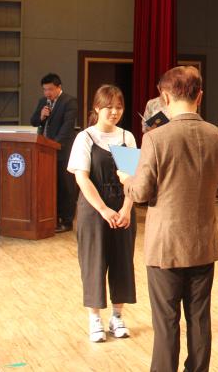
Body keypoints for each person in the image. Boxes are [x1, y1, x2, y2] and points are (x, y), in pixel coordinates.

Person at [120, 66, 218, 372]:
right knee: (199, 319)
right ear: (200, 95)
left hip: (165, 247)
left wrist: (126, 179)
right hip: (203, 244)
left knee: (166, 323)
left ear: (165, 98)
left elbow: (141, 192)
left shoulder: (156, 138)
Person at [66, 84, 137, 343]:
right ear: (97, 108)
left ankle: (117, 317)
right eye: (109, 107)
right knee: (93, 262)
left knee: (122, 262)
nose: (114, 112)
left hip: (123, 208)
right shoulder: (85, 137)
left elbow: (132, 178)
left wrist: (126, 208)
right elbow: (82, 178)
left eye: (119, 107)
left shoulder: (127, 137)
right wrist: (104, 209)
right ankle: (94, 318)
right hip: (93, 209)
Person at [30, 73, 79, 233]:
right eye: (45, 90)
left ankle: (67, 220)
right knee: (51, 186)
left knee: (65, 186)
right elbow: (33, 122)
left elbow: (67, 128)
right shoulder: (43, 102)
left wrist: (53, 146)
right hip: (44, 151)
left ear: (59, 87)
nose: (47, 93)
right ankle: (53, 217)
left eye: (50, 89)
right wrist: (41, 116)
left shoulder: (69, 101)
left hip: (62, 151)